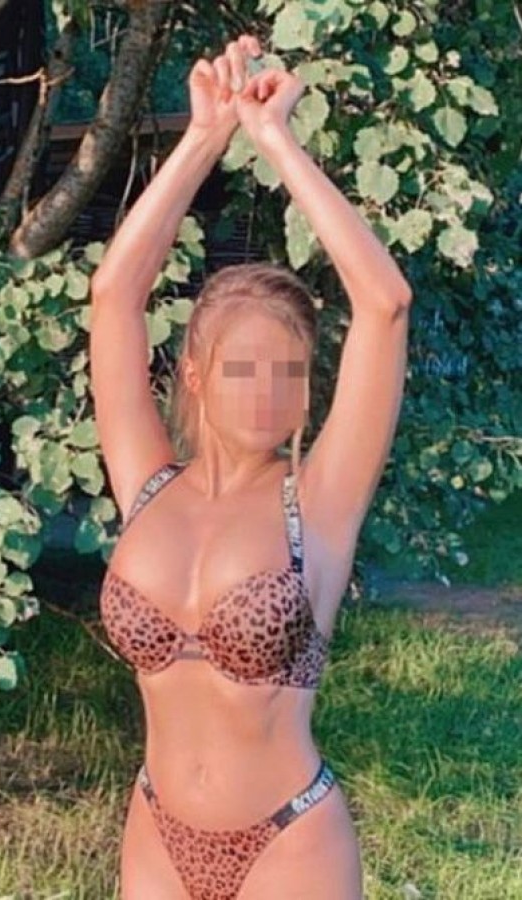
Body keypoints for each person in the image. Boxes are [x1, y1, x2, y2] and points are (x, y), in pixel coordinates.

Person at [90, 32, 412, 900]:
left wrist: (275, 141)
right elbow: (114, 299)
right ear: (195, 375)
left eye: (289, 372)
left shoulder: (320, 501)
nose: (268, 393)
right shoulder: (147, 486)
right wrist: (203, 137)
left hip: (288, 843)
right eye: (243, 370)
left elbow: (384, 305)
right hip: (156, 831)